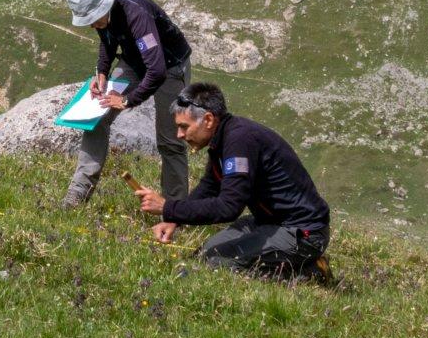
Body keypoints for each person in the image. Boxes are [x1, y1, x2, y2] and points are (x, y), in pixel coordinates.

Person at [134, 82, 331, 279]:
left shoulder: (239, 140)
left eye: (184, 127)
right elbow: (210, 186)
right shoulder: (223, 138)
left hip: (303, 232)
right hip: (268, 222)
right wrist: (174, 220)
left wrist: (168, 207)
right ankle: (292, 263)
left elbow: (229, 207)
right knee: (203, 256)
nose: (179, 135)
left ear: (208, 120)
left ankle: (309, 271)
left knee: (218, 264)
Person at [61, 0, 193, 207]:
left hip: (171, 67)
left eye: (93, 18)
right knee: (96, 117)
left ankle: (175, 211)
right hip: (134, 62)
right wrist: (101, 72)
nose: (92, 25)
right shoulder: (103, 15)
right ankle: (77, 194)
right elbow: (107, 39)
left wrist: (127, 100)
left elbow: (157, 71)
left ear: (104, 5)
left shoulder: (136, 14)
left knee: (170, 141)